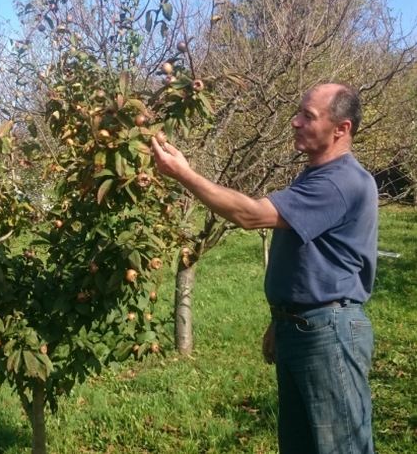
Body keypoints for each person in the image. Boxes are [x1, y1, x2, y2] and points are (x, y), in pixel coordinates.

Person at [151, 83, 377, 454]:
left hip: (328, 335)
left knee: (341, 448)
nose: (295, 122)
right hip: (305, 328)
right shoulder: (316, 176)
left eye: (309, 116)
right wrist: (282, 319)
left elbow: (251, 215)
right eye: (298, 112)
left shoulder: (340, 182)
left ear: (342, 129)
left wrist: (184, 175)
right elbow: (315, 261)